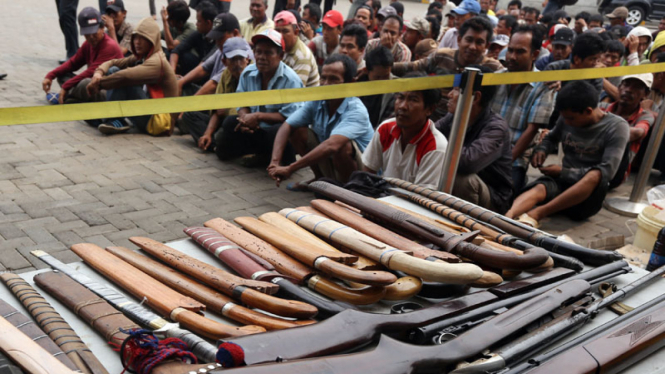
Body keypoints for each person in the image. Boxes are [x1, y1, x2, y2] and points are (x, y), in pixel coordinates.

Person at [506, 81, 630, 226]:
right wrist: (542, 150)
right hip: (562, 182)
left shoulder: (617, 127)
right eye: (564, 117)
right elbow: (551, 137)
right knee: (539, 188)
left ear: (589, 111)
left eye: (571, 118)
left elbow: (607, 172)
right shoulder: (567, 116)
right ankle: (506, 217)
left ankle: (538, 213)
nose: (566, 122)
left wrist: (563, 172)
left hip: (588, 196)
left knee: (596, 174)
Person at [269, 54, 374, 189]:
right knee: (297, 131)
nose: (325, 84)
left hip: (363, 175)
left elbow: (332, 145)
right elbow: (287, 125)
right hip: (332, 162)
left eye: (334, 79)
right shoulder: (318, 100)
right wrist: (275, 163)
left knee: (341, 146)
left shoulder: (356, 110)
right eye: (323, 78)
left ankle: (350, 191)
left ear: (350, 83)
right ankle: (320, 179)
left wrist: (290, 168)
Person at [215, 30, 303, 165]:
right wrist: (245, 119)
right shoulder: (248, 73)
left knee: (277, 131)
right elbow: (241, 101)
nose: (262, 57)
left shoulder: (290, 80)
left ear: (280, 55)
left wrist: (257, 116)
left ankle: (279, 159)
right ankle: (259, 154)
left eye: (268, 53)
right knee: (229, 124)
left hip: (276, 130)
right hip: (255, 128)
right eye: (258, 52)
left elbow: (290, 116)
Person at [436, 65, 513, 213]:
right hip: (472, 190)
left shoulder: (496, 127)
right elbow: (430, 134)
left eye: (457, 90)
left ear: (475, 97)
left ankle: (462, 228)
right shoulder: (452, 117)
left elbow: (467, 163)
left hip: (493, 198)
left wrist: (435, 148)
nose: (449, 95)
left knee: (462, 180)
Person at [393, 17, 503, 120]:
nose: (472, 47)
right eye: (469, 40)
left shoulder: (494, 68)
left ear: (487, 46)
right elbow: (414, 67)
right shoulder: (442, 56)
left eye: (479, 42)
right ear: (459, 40)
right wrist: (385, 66)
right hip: (432, 120)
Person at [492, 25, 556, 192]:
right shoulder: (495, 79)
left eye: (520, 52)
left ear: (534, 54)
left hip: (514, 158)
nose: (512, 57)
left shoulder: (544, 86)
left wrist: (504, 163)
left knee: (504, 194)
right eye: (510, 50)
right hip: (484, 150)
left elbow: (532, 130)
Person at [86, 17, 178, 135]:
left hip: (159, 122)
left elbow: (126, 77)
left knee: (121, 76)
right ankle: (113, 118)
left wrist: (99, 85)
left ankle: (114, 119)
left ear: (152, 40)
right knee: (115, 70)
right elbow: (114, 62)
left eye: (142, 38)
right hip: (150, 111)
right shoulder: (146, 55)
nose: (137, 42)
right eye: (135, 38)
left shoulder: (157, 61)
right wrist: (99, 73)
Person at [363, 72, 448, 190]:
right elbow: (367, 173)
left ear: (429, 109)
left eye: (413, 100)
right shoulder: (385, 128)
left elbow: (422, 198)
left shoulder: (435, 146)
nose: (402, 106)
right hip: (380, 199)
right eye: (400, 97)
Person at [177, 13, 243, 133]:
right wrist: (181, 82)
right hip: (215, 104)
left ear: (235, 33)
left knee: (189, 116)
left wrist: (186, 109)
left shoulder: (238, 57)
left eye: (221, 38)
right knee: (180, 82)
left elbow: (213, 85)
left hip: (228, 110)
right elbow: (203, 68)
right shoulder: (221, 50)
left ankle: (213, 139)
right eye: (216, 38)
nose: (217, 42)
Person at [43, 7, 123, 105]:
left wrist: (65, 87)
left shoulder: (110, 46)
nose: (91, 37)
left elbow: (90, 72)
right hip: (93, 87)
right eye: (87, 34)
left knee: (85, 83)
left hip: (110, 93)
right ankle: (73, 100)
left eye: (94, 33)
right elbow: (73, 63)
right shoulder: (87, 44)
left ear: (102, 28)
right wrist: (50, 75)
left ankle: (68, 98)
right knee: (62, 75)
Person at [189, 38, 251, 152]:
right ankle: (212, 143)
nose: (237, 64)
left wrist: (226, 109)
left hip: (242, 122)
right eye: (233, 60)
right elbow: (217, 110)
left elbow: (249, 110)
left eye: (240, 59)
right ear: (224, 62)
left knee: (229, 124)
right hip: (225, 120)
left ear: (247, 59)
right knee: (190, 114)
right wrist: (208, 133)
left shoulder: (253, 75)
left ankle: (217, 144)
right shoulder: (225, 75)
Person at [601, 74, 654, 188]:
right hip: (588, 159)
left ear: (645, 94)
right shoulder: (601, 107)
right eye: (626, 84)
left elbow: (639, 132)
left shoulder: (645, 116)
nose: (629, 90)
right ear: (619, 87)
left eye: (637, 87)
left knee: (622, 137)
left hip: (614, 173)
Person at [274, 11, 320, 87]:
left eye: (285, 31)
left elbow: (295, 92)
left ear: (296, 32)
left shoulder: (302, 56)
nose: (280, 35)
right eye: (277, 31)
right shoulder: (279, 48)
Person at [170, 1, 217, 76]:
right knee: (183, 55)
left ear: (208, 23)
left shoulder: (219, 40)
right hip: (200, 68)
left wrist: (182, 81)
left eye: (199, 21)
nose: (196, 24)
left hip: (212, 75)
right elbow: (176, 50)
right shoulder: (200, 33)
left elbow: (204, 65)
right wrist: (172, 71)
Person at [358, 47, 397, 128]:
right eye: (377, 77)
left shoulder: (396, 90)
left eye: (386, 76)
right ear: (367, 71)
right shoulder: (357, 84)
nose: (382, 81)